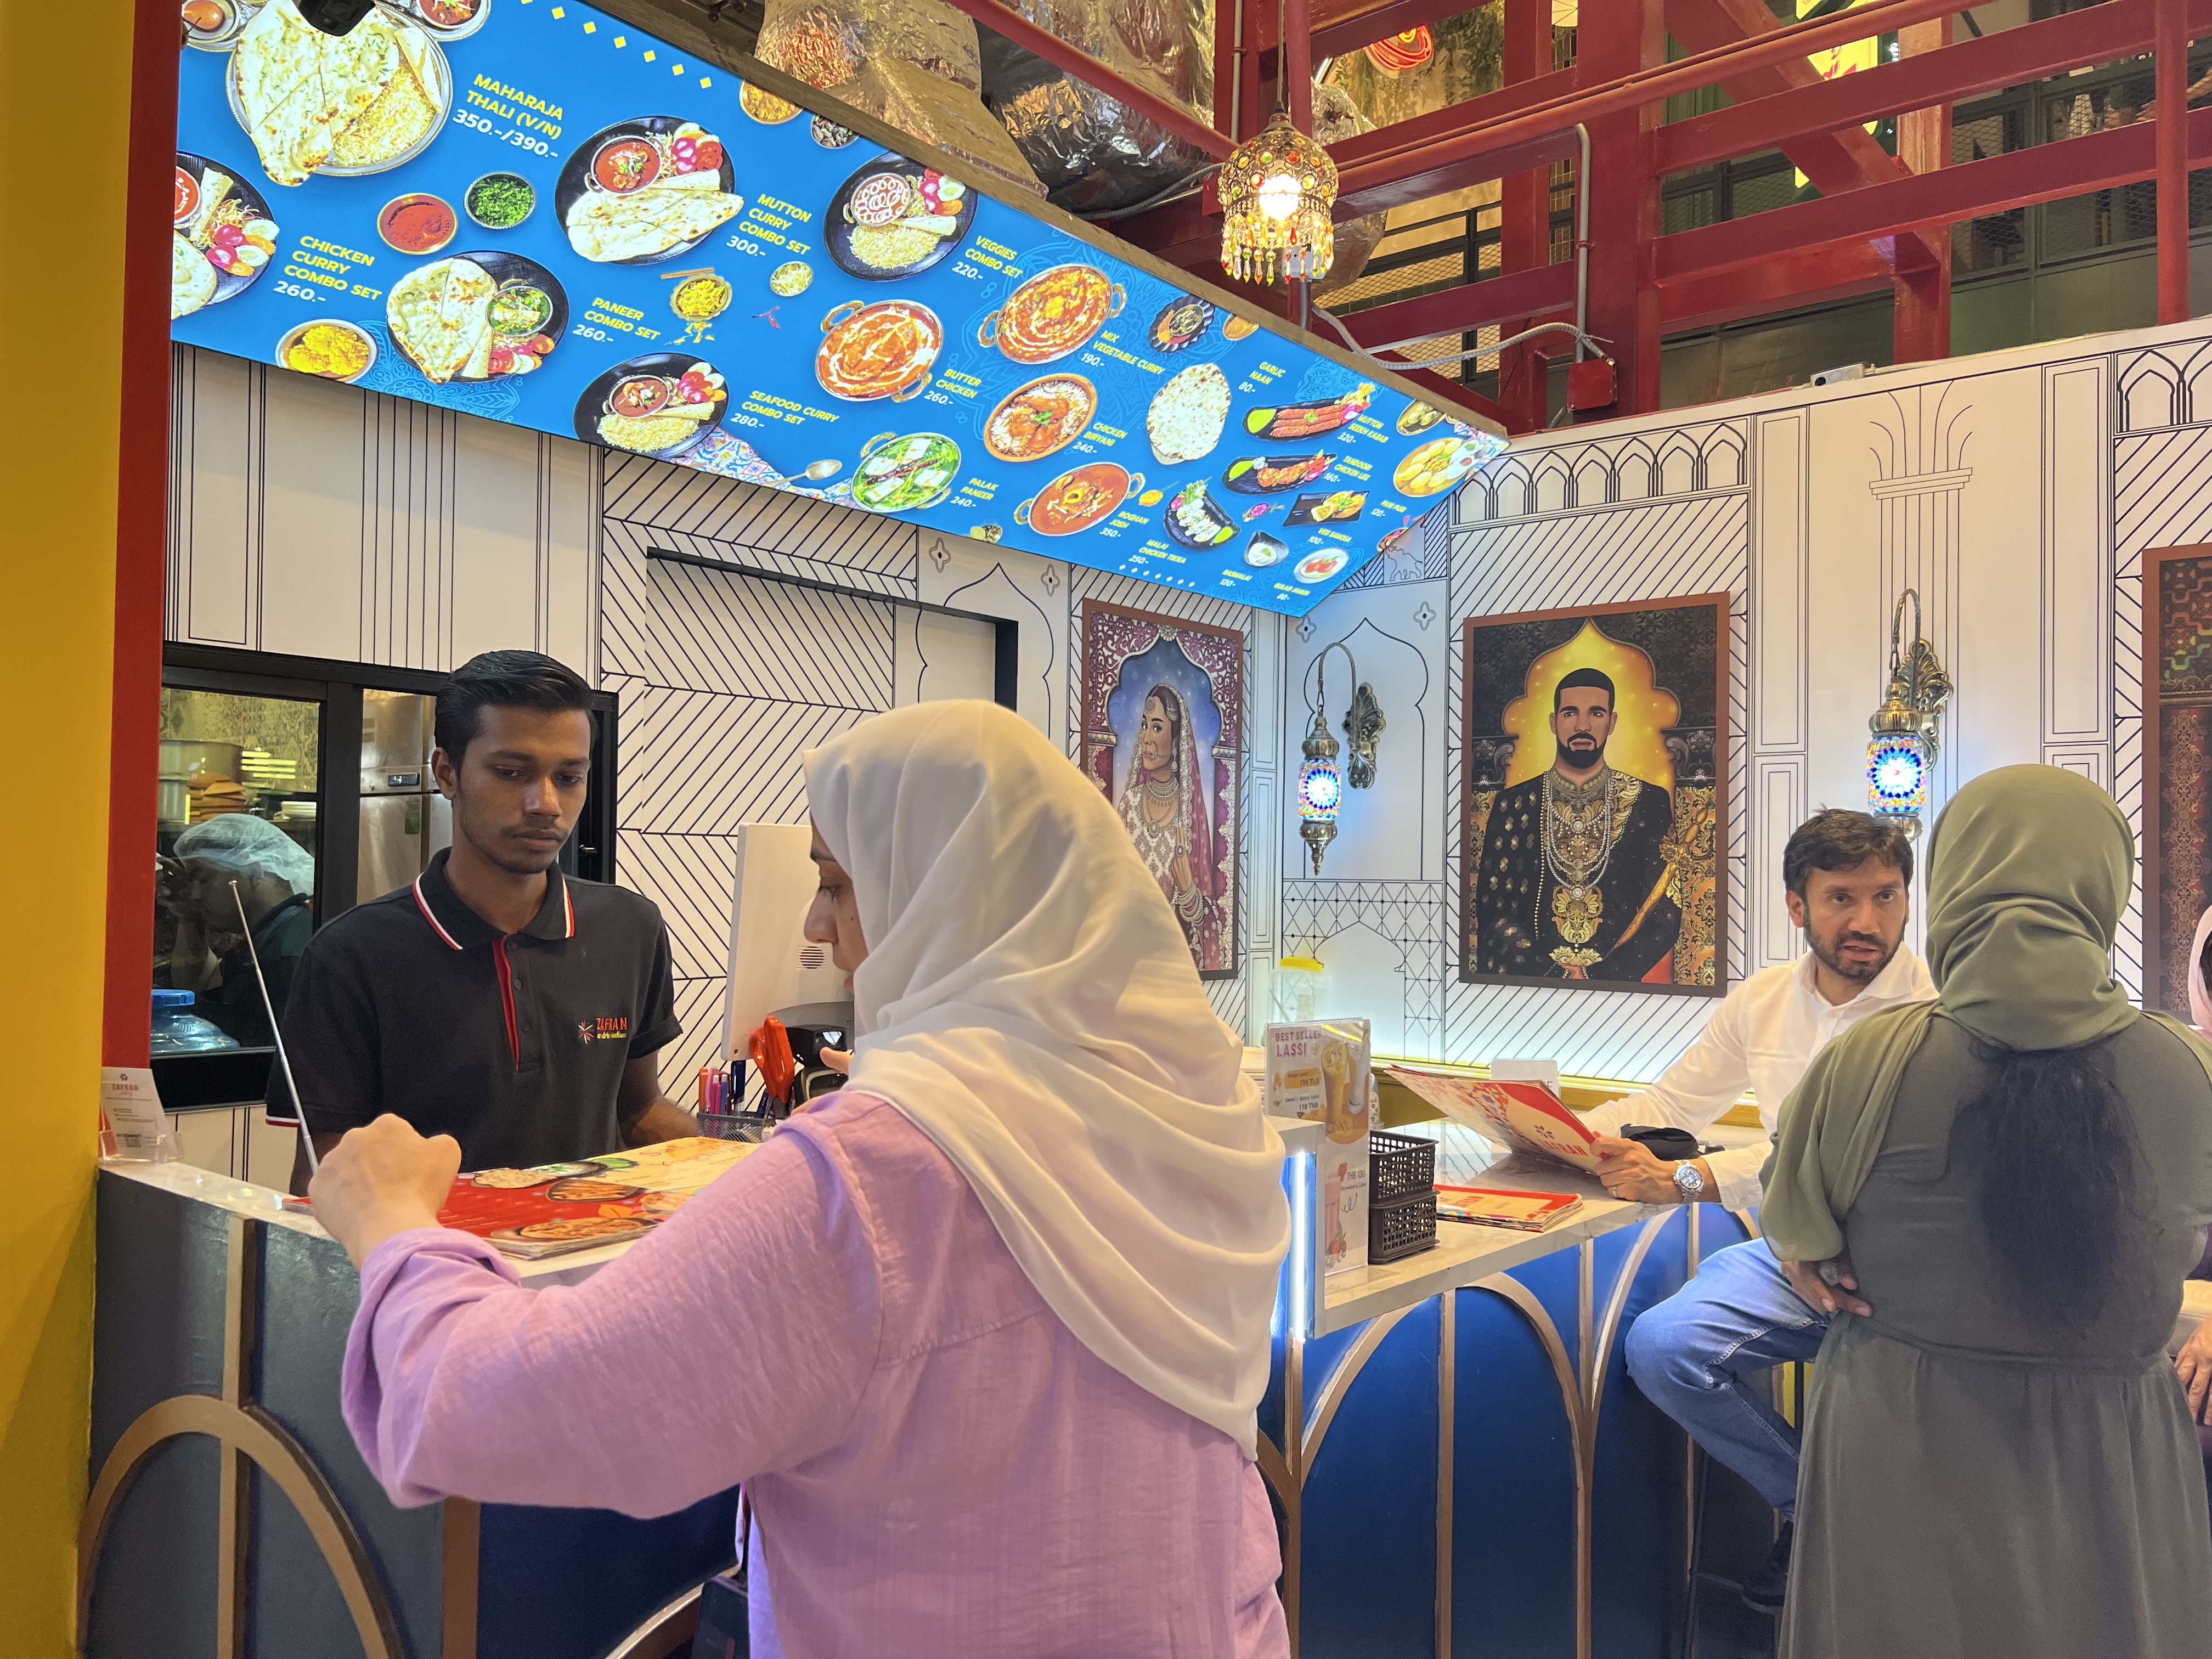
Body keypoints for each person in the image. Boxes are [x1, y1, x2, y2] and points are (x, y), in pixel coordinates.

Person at [308, 700, 1294, 1657]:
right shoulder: (1187, 1111)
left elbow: (500, 1402)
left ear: (943, 893)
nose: (818, 926)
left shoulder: (870, 1178)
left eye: (836, 883)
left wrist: (394, 1225)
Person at [1766, 766, 2212, 1659]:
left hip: (1901, 1432)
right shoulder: (2187, 1068)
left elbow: (1801, 1233)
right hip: (2112, 1439)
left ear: (1951, 882)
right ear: (2104, 884)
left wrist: (1811, 1251)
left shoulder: (1868, 1060)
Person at [1597, 809, 1933, 1615]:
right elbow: (1671, 1106)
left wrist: (1690, 1180)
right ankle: (1822, 1513)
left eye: (1887, 896)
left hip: (1909, 1272)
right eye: (1842, 898)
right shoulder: (1764, 999)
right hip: (1794, 1256)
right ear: (1796, 906)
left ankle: (1868, 1545)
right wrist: (1557, 1131)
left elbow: (1842, 1157)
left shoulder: (1938, 1010)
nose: (1868, 921)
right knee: (1663, 1348)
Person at [277, 650, 693, 1183]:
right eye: (511, 773)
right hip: (431, 1240)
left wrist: (753, 1154)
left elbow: (637, 1109)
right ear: (447, 773)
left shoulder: (629, 927)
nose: (545, 803)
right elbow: (324, 1176)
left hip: (592, 1233)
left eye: (569, 777)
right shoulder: (351, 955)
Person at [1470, 667, 1681, 980]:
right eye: (1570, 713)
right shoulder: (1514, 804)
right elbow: (1494, 914)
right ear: (1554, 722)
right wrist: (1555, 975)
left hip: (1616, 992)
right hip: (1531, 987)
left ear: (1612, 722)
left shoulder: (1648, 801)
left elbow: (1664, 916)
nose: (1583, 726)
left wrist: (1597, 977)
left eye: (1596, 713)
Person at [167, 812, 318, 1048]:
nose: (195, 895)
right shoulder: (265, 938)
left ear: (253, 872)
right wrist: (187, 915)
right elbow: (194, 986)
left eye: (202, 879)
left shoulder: (287, 955)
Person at [1118, 682, 1226, 969]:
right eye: (1144, 726)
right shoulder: (1130, 803)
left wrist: (1188, 890)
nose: (1146, 738)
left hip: (1172, 964)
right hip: (1127, 959)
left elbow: (1211, 921)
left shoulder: (1189, 814)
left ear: (1177, 740)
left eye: (1157, 727)